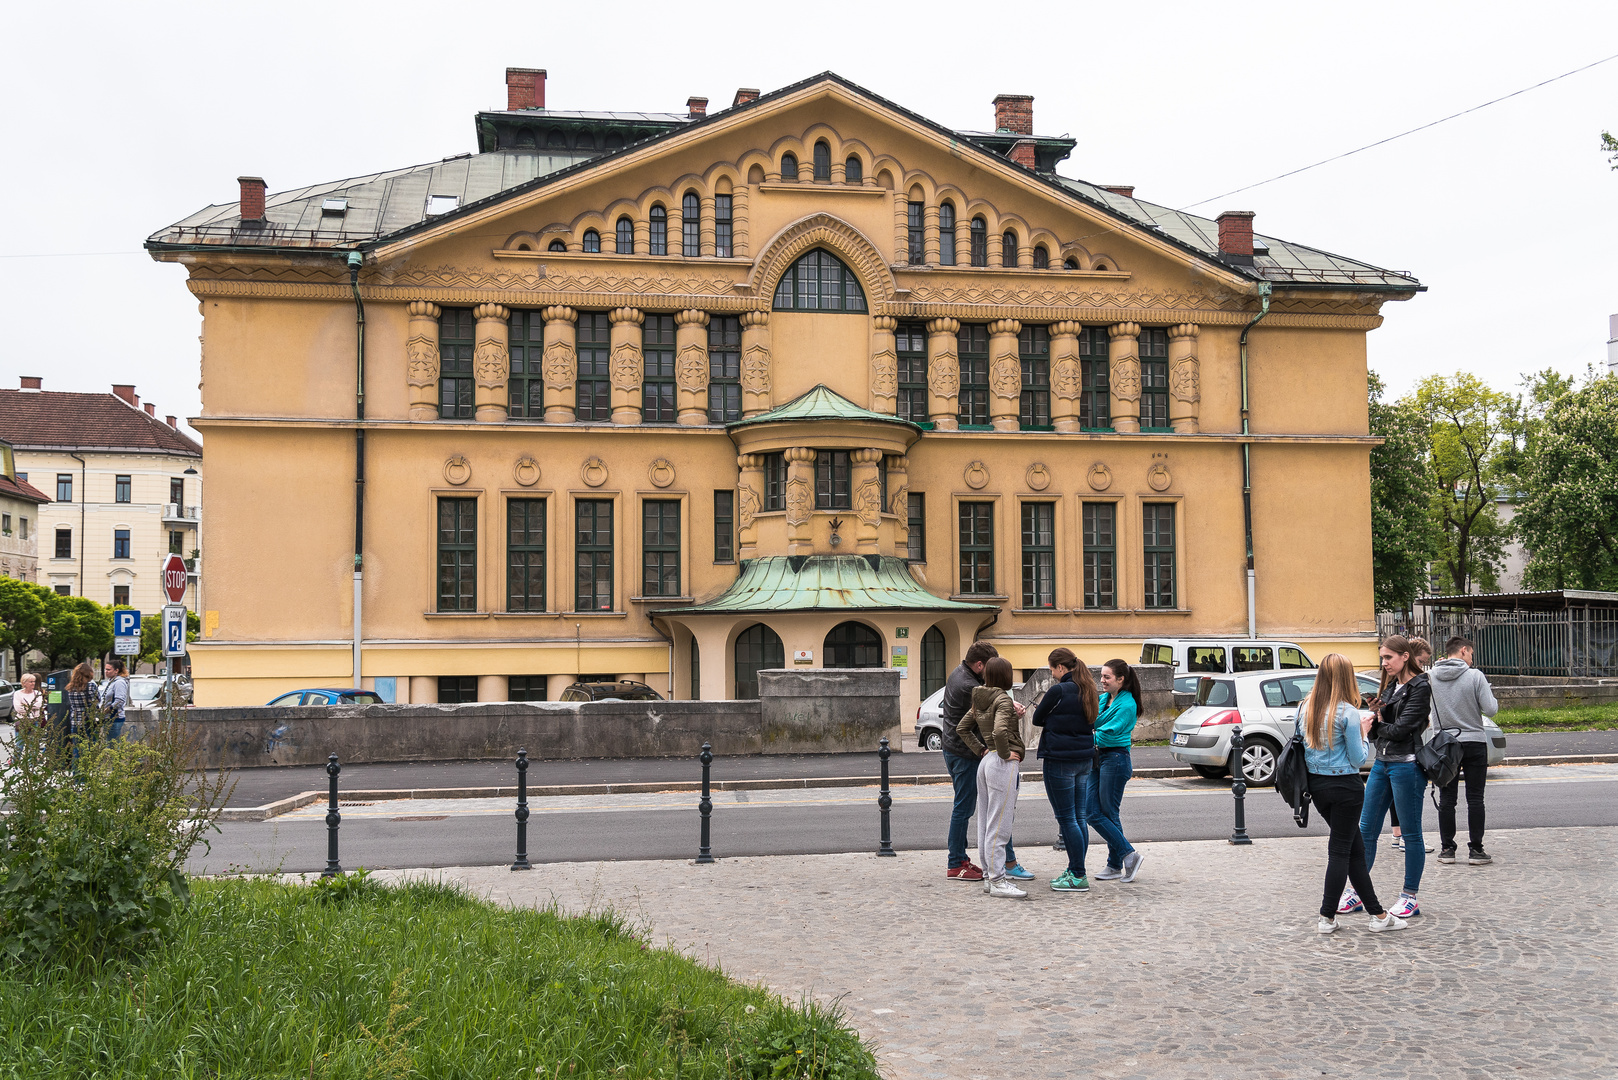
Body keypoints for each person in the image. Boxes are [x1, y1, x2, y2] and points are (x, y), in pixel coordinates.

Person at [1302, 654, 1408, 934]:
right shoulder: (1347, 712)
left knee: (1355, 851)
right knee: (1340, 851)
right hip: (1346, 788)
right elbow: (1358, 759)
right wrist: (1362, 732)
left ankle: (1378, 914)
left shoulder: (1306, 708)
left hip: (1317, 787)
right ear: (1347, 677)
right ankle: (1326, 917)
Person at [1344, 635, 1430, 920]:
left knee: (1410, 832)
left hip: (1407, 765)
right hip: (1382, 762)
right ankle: (1357, 891)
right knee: (1365, 829)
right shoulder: (1391, 685)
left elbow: (1404, 729)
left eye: (1388, 658)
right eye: (1382, 658)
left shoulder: (1420, 686)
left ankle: (1410, 897)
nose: (1384, 663)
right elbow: (1386, 725)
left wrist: (1377, 726)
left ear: (1405, 656)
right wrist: (1374, 716)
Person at [939, 641, 1026, 882]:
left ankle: (979, 862)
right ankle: (957, 863)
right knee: (969, 809)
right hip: (964, 754)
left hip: (960, 750)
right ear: (980, 665)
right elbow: (992, 723)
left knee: (984, 810)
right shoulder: (969, 686)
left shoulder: (961, 673)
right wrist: (999, 750)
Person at [1030, 648, 1097, 892]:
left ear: (1060, 668)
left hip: (1059, 758)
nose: (1052, 674)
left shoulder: (1058, 691)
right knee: (1079, 817)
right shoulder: (1088, 689)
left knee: (1067, 818)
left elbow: (1037, 718)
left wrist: (1054, 719)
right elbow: (1091, 720)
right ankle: (1075, 868)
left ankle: (1078, 875)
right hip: (1084, 758)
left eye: (1052, 669)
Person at [1430, 635, 1499, 865]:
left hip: (1445, 744)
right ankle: (1476, 850)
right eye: (1471, 654)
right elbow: (1491, 709)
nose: (1471, 659)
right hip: (1474, 743)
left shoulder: (1430, 677)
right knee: (1475, 798)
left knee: (1447, 798)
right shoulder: (1475, 676)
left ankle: (1447, 849)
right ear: (1463, 651)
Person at [1089, 659, 1146, 883]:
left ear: (1120, 680)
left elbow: (1106, 730)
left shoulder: (1127, 704)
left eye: (1106, 677)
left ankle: (1119, 862)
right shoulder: (1105, 699)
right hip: (1099, 757)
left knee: (1108, 813)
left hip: (1115, 758)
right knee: (1091, 811)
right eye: (1101, 676)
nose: (1101, 681)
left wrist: (1090, 730)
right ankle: (1125, 857)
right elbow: (1093, 721)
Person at [1388, 638, 1435, 855]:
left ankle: (1399, 834)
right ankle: (1406, 836)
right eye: (1421, 661)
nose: (1422, 666)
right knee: (1405, 798)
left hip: (1395, 752)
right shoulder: (1408, 685)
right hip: (1403, 753)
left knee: (1396, 796)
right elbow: (1398, 728)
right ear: (1409, 657)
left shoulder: (1407, 685)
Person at [100, 658, 130, 741]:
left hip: (114, 718)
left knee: (112, 745)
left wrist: (107, 710)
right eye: (105, 669)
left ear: (116, 670)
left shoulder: (119, 682)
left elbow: (119, 701)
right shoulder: (111, 681)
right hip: (108, 718)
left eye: (108, 669)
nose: (106, 671)